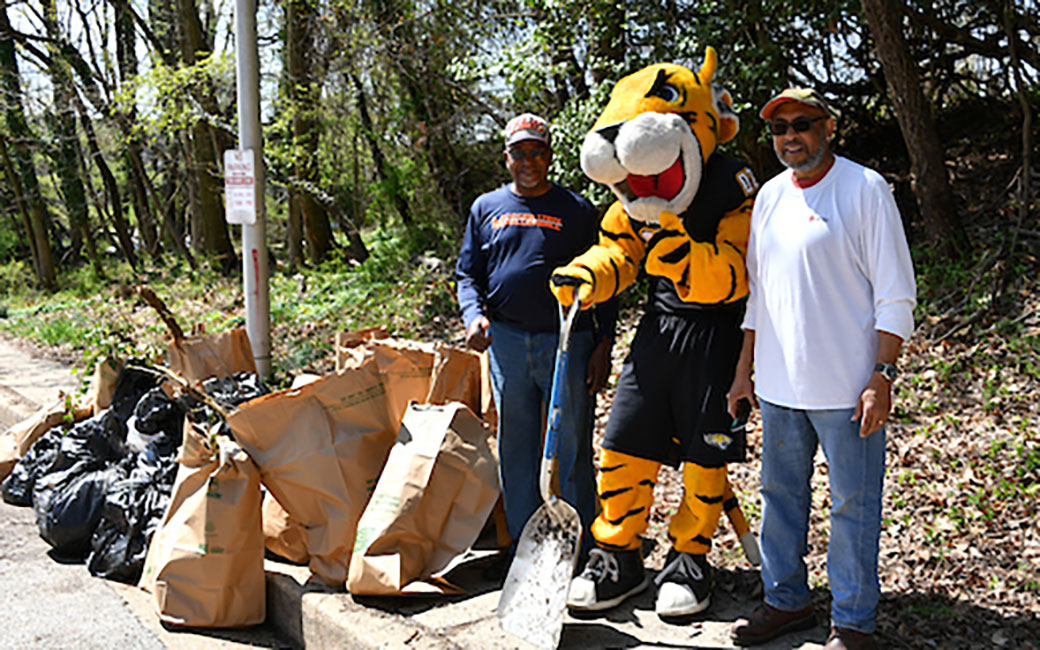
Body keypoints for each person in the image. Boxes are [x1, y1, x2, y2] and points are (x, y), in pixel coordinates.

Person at [550, 55, 760, 620]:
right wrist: (589, 277)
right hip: (657, 330)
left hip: (718, 336)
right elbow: (619, 250)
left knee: (704, 456)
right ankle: (618, 551)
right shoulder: (632, 192)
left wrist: (687, 258)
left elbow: (744, 268)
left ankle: (692, 556)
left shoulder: (731, 184)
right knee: (623, 442)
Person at [728, 88, 916, 650]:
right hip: (782, 388)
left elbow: (895, 294)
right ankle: (787, 601)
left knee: (852, 506)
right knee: (780, 497)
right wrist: (744, 372)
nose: (791, 135)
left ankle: (854, 621)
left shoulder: (865, 189)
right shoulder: (767, 198)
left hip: (847, 388)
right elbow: (758, 296)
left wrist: (881, 377)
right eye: (780, 127)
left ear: (828, 127)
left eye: (802, 124)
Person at [455, 113, 616, 565]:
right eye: (520, 153)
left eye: (537, 152)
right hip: (506, 342)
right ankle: (526, 550)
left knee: (573, 444)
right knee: (517, 447)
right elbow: (468, 273)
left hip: (567, 342)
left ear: (549, 157)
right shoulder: (486, 208)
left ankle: (586, 548)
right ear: (507, 158)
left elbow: (605, 277)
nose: (529, 161)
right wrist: (474, 316)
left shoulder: (576, 209)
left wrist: (604, 341)